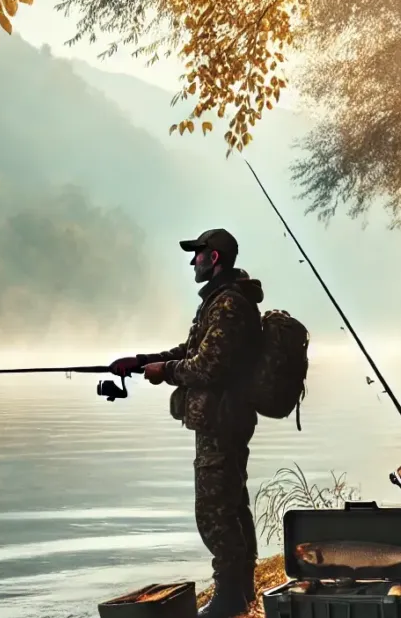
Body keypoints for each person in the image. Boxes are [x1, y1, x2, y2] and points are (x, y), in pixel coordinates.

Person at [109, 228, 264, 618]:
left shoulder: (228, 304)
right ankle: (241, 590)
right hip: (221, 420)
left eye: (197, 254)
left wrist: (167, 371)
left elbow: (208, 366)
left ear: (214, 257)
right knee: (232, 504)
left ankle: (230, 596)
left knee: (214, 511)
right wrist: (143, 361)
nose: (192, 260)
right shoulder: (221, 300)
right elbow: (191, 350)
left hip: (222, 421)